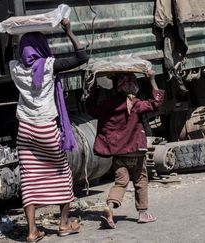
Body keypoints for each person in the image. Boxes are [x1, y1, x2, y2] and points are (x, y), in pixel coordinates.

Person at [9, 18, 88, 243]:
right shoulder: (49, 66)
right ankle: (64, 224)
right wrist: (69, 31)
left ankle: (32, 231)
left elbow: (9, 55)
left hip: (25, 130)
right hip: (46, 128)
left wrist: (10, 37)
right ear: (42, 47)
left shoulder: (15, 68)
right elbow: (82, 57)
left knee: (29, 178)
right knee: (62, 174)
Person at [85, 69, 164, 229]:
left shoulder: (108, 105)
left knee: (120, 182)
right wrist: (152, 80)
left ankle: (110, 207)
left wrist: (93, 87)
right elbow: (156, 103)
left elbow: (91, 108)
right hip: (136, 151)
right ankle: (143, 213)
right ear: (134, 87)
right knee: (140, 180)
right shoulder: (136, 104)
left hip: (119, 153)